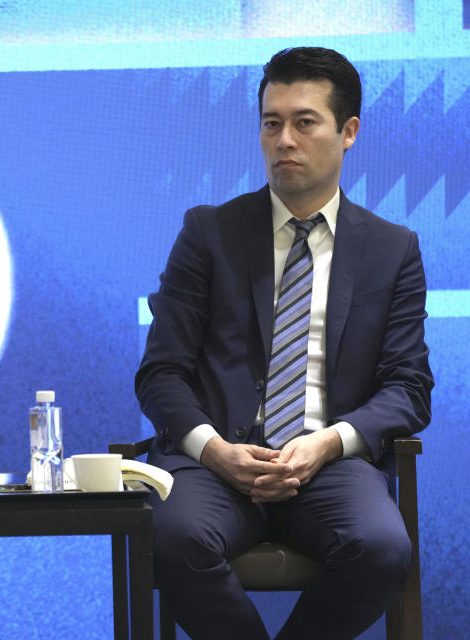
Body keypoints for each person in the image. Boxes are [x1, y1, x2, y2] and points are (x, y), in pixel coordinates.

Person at [134, 47, 432, 640]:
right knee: (172, 538)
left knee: (381, 547)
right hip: (214, 462)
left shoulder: (392, 248)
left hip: (329, 463)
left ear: (348, 132)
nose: (284, 140)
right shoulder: (208, 233)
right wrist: (215, 450)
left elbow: (409, 387)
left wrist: (327, 443)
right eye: (272, 123)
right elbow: (161, 372)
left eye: (304, 122)